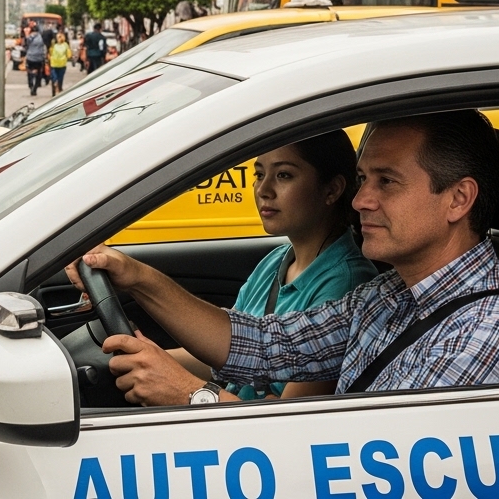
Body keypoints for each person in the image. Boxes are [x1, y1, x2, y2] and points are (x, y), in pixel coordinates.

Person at [81, 110, 499, 406]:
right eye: (363, 179)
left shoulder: (488, 336)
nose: (359, 200)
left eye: (386, 182)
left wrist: (192, 397)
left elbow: (363, 470)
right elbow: (264, 345)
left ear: (458, 200)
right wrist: (137, 277)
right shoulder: (389, 293)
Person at [69, 131, 377, 402]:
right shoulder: (276, 261)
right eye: (259, 174)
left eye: (284, 175)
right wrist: (152, 359)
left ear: (332, 190)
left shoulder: (347, 284)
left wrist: (184, 390)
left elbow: (286, 417)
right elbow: (233, 352)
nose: (263, 189)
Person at [24, 24, 47, 96]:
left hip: (30, 57)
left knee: (29, 72)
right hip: (39, 58)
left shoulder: (29, 37)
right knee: (38, 74)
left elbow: (25, 45)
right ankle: (35, 88)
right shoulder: (41, 37)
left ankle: (31, 85)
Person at [48, 31, 71, 95]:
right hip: (62, 64)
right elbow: (69, 55)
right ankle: (60, 89)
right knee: (60, 78)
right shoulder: (65, 45)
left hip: (54, 63)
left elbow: (50, 52)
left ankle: (54, 90)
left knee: (54, 77)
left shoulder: (53, 44)